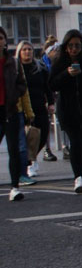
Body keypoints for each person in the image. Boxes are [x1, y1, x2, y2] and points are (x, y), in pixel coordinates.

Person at [49, 30, 82, 194]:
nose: (74, 49)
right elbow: (52, 84)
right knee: (75, 142)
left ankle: (81, 177)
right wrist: (67, 74)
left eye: (77, 45)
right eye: (70, 46)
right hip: (68, 109)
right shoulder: (60, 61)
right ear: (65, 47)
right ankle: (77, 177)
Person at [17, 41, 55, 179]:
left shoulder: (39, 67)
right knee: (27, 136)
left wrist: (51, 102)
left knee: (43, 134)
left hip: (39, 105)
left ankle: (31, 158)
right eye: (24, 50)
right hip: (23, 107)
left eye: (29, 49)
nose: (27, 52)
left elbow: (47, 87)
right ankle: (29, 163)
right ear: (19, 52)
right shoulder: (16, 68)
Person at [1, 28, 27, 201]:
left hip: (10, 110)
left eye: (0, 37)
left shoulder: (13, 62)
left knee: (14, 150)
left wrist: (15, 94)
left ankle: (14, 186)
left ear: (5, 41)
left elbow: (22, 84)